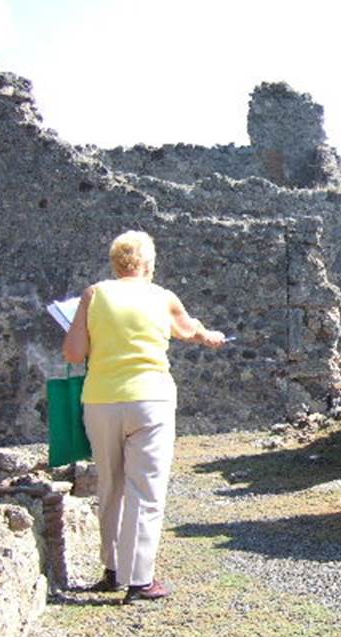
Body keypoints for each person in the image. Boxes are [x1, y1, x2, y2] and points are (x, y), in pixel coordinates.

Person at [63, 230, 226, 603]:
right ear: (149, 264)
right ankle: (140, 579)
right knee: (146, 489)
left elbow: (73, 353)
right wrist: (210, 336)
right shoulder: (162, 297)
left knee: (111, 484)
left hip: (101, 400)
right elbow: (190, 330)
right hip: (151, 399)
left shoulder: (94, 295)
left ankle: (112, 570)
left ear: (115, 263)